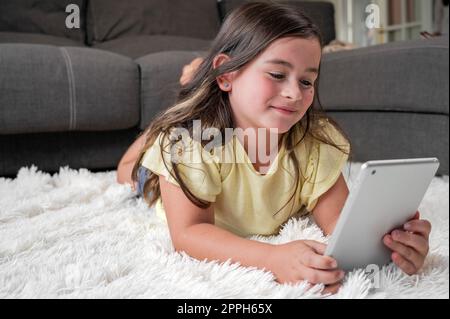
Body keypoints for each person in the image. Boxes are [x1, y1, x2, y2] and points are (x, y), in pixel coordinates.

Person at [116, 2, 431, 293]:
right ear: (227, 75)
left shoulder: (315, 143)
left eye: (307, 82)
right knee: (132, 170)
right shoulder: (190, 145)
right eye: (278, 74)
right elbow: (188, 233)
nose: (295, 93)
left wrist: (390, 245)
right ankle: (165, 122)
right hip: (167, 168)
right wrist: (271, 257)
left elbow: (339, 222)